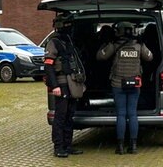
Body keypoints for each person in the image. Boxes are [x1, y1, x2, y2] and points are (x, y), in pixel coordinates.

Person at [96, 22, 153, 155]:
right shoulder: (139, 45)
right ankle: (133, 146)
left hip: (118, 84)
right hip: (135, 84)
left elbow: (100, 56)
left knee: (121, 114)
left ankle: (120, 147)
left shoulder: (114, 45)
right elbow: (150, 57)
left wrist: (106, 44)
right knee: (132, 114)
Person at [44, 13, 85, 158]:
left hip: (72, 82)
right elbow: (48, 66)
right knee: (60, 117)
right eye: (68, 25)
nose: (71, 28)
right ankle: (58, 147)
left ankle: (68, 145)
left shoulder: (68, 41)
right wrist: (54, 86)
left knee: (70, 116)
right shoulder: (53, 42)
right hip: (61, 84)